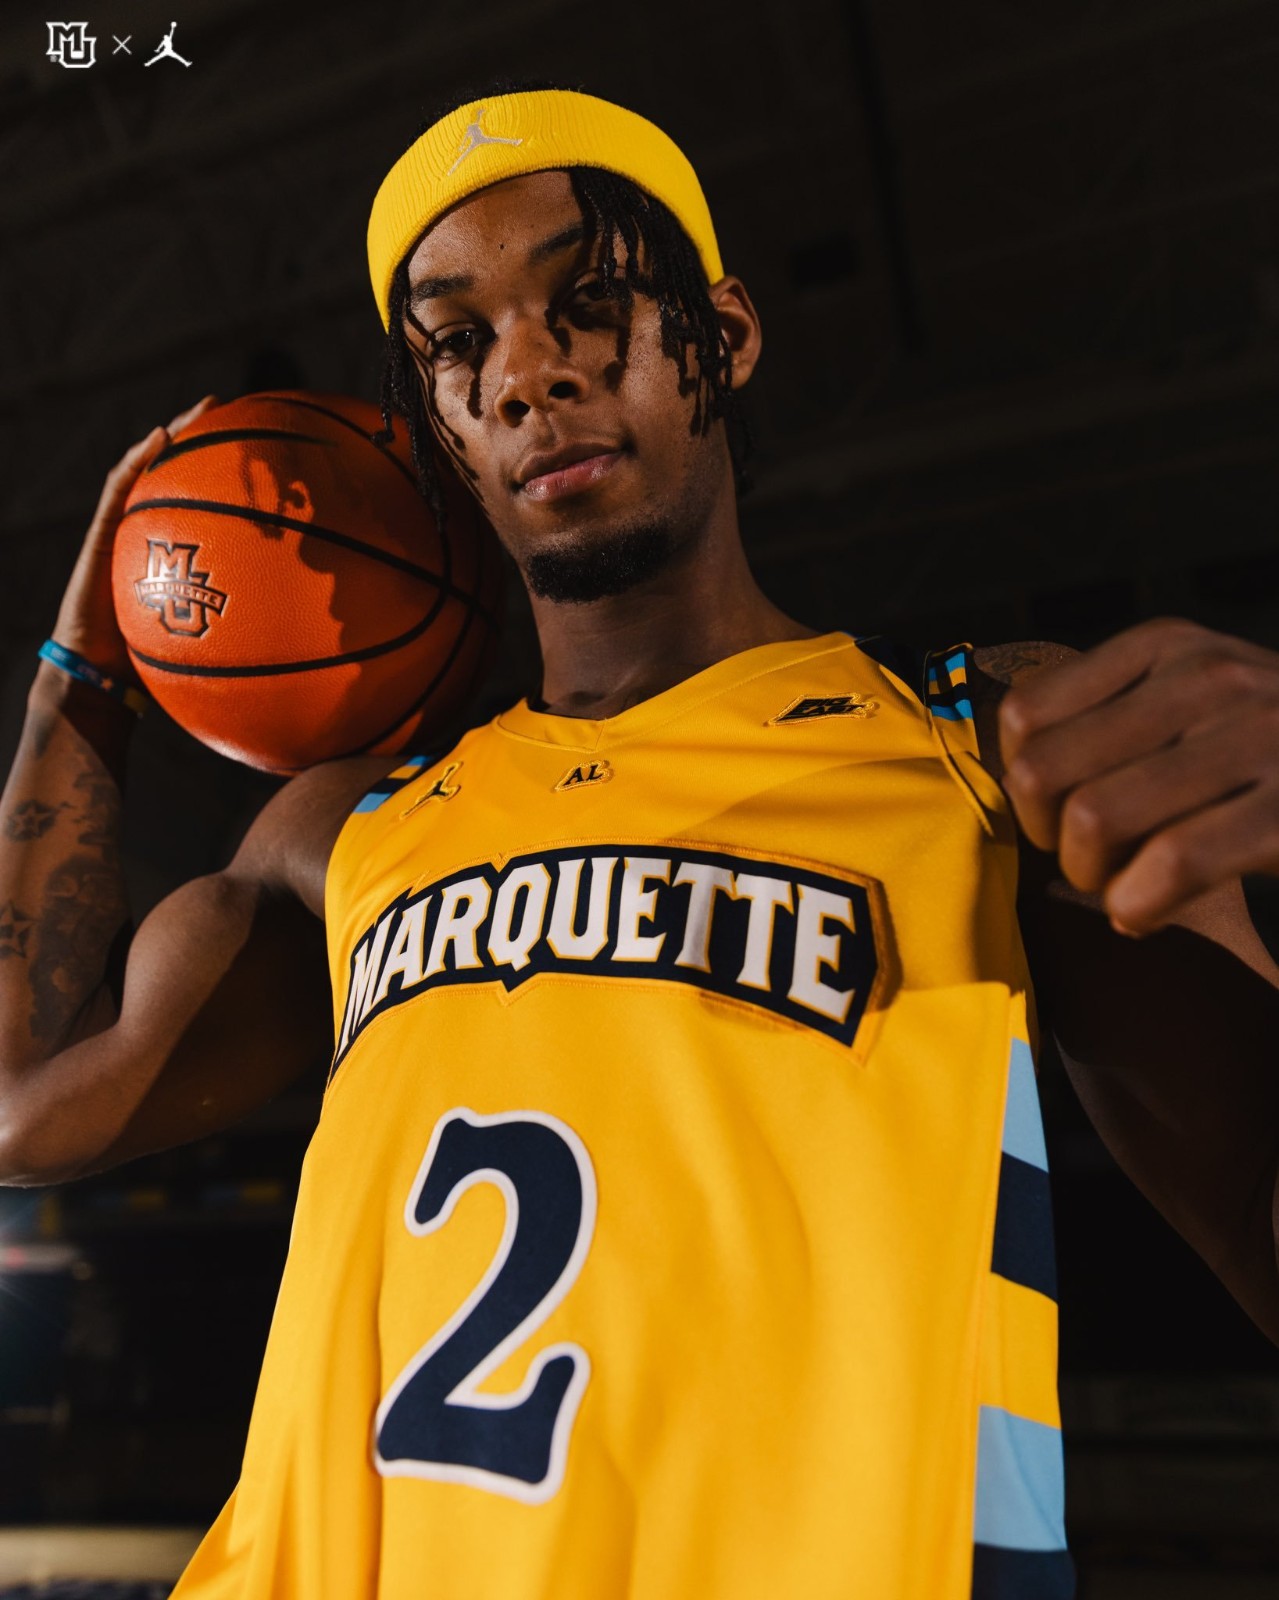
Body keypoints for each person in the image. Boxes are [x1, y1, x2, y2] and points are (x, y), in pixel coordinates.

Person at [1, 84, 1278, 1600]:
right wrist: (82, 680)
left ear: (722, 335)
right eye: (457, 343)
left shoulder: (986, 739)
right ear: (440, 430)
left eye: (591, 298)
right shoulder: (349, 828)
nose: (526, 372)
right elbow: (21, 1103)